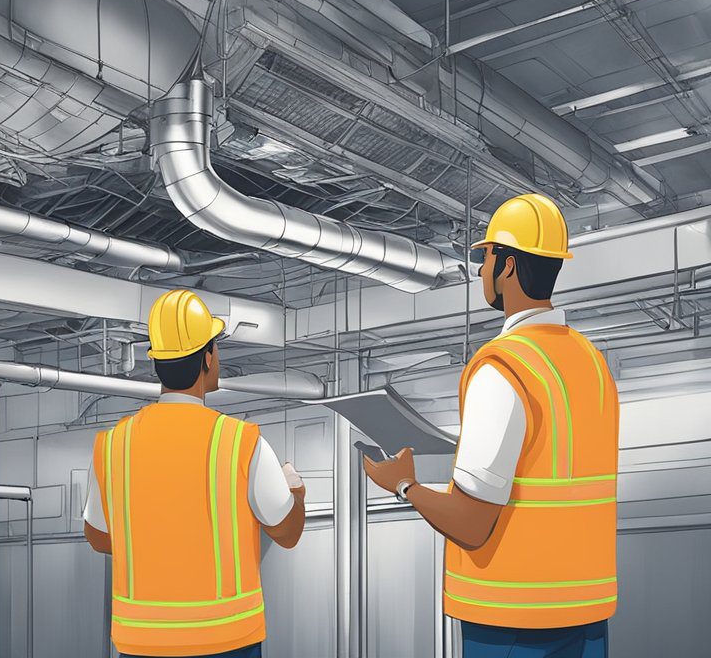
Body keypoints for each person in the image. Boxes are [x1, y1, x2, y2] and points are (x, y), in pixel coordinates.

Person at [363, 193, 619, 658]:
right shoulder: (591, 363)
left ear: (507, 266)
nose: (481, 271)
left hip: (511, 622)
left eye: (485, 259)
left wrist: (402, 484)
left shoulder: (503, 368)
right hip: (586, 614)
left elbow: (473, 524)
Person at [82, 288, 306, 658]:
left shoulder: (112, 446)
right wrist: (293, 490)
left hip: (142, 644)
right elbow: (287, 532)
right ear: (207, 358)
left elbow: (99, 537)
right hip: (227, 642)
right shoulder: (240, 442)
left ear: (157, 362)